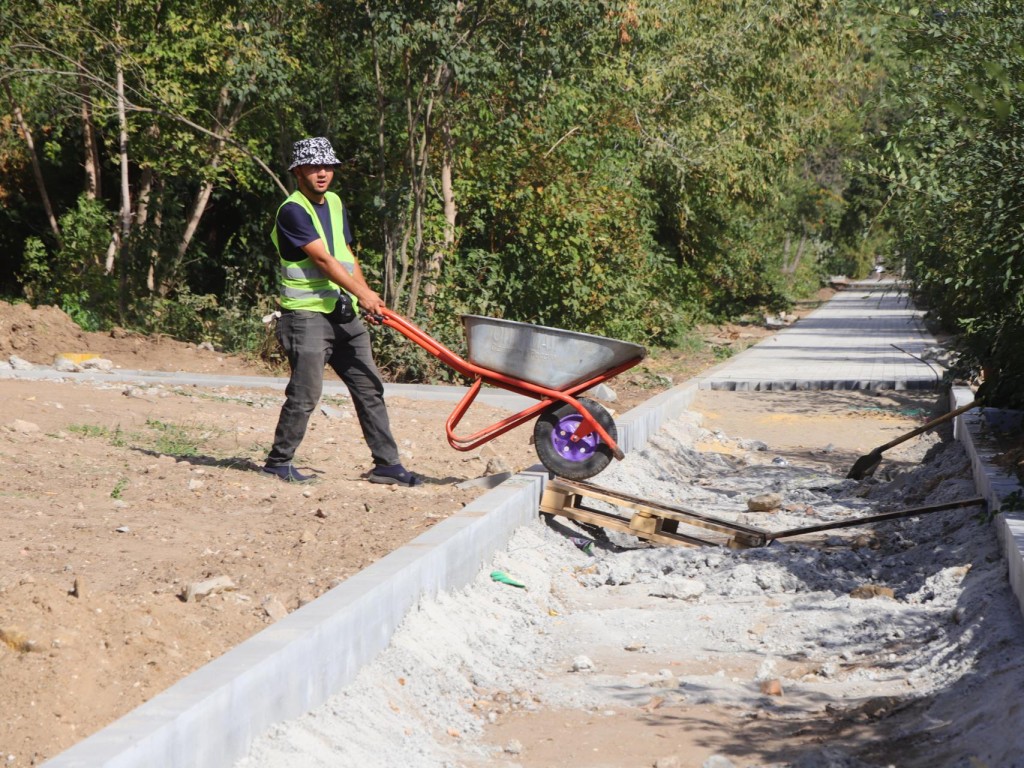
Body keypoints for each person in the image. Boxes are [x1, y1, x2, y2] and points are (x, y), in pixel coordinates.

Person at [262, 136, 421, 486]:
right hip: (306, 316)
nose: (322, 173)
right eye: (314, 167)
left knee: (369, 386)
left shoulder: (334, 202)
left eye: (327, 166)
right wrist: (362, 296)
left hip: (342, 311)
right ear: (298, 171)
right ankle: (279, 460)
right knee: (305, 394)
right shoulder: (292, 210)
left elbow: (345, 254)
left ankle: (387, 465)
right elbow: (322, 260)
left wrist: (367, 295)